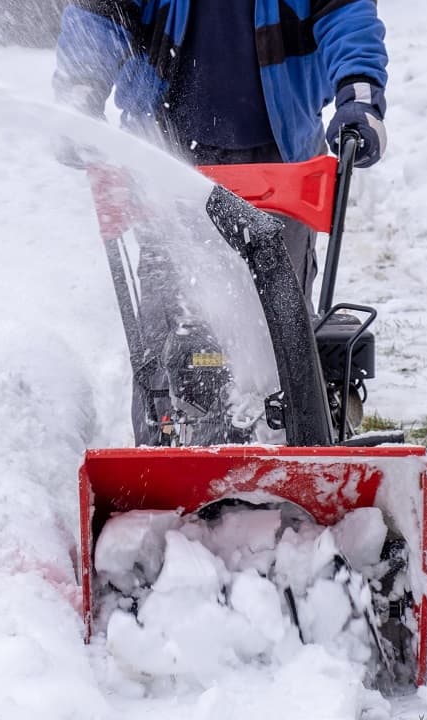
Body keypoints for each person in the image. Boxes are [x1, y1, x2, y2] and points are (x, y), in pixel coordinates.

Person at [53, 0, 388, 445]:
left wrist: (359, 96)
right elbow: (99, 14)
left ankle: (299, 443)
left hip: (280, 160)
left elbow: (346, 18)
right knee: (168, 322)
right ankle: (163, 452)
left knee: (280, 325)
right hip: (166, 158)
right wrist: (81, 93)